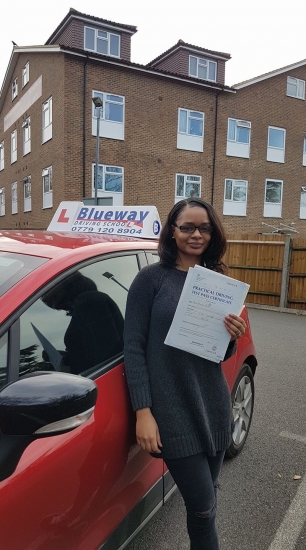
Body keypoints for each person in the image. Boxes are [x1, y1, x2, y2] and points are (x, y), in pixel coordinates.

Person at [123, 198, 246, 549]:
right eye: (187, 227)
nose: (196, 234)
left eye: (204, 228)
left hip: (213, 404)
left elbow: (216, 353)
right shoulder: (150, 280)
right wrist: (143, 411)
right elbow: (134, 347)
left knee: (208, 502)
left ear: (213, 232)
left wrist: (231, 337)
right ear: (172, 231)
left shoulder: (216, 280)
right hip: (171, 410)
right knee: (203, 508)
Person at [42, 271, 124, 374]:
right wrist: (65, 357)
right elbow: (92, 352)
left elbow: (108, 352)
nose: (45, 297)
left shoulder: (88, 300)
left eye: (49, 289)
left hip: (97, 385)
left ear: (65, 284)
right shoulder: (87, 302)